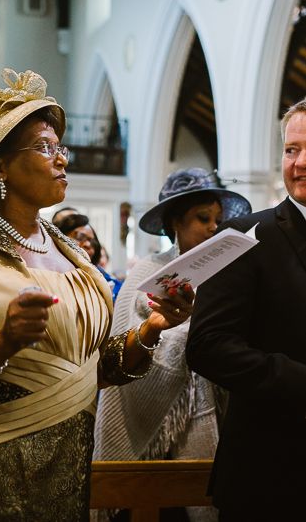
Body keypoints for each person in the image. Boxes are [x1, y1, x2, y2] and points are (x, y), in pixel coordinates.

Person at [0, 69, 192, 522]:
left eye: (61, 147)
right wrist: (2, 343)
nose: (62, 160)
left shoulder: (73, 254)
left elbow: (92, 367)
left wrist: (152, 329)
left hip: (69, 475)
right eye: (44, 147)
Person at [93, 168, 251, 522]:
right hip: (149, 416)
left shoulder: (224, 276)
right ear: (175, 222)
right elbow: (127, 343)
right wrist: (183, 330)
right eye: (202, 218)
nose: (213, 227)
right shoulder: (148, 270)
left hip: (204, 417)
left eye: (218, 220)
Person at [186, 99, 306, 520]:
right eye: (291, 150)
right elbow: (207, 346)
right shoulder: (246, 236)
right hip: (271, 474)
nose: (300, 162)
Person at [57, 212, 123, 300]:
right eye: (80, 237)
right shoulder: (54, 273)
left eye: (92, 241)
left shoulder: (109, 281)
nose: (88, 244)